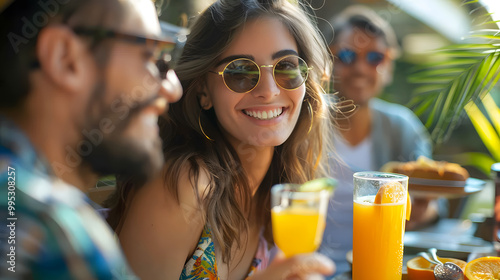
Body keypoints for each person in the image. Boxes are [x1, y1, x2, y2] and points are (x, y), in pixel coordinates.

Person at [0, 0, 332, 279]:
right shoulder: (48, 227)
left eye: (287, 68)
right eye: (150, 56)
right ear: (63, 58)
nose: (172, 86)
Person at [105, 0, 336, 279]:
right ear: (203, 91)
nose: (269, 90)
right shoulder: (184, 185)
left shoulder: (277, 194)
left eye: (286, 66)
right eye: (240, 71)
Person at [319, 5, 437, 276]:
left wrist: (421, 209)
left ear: (389, 66)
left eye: (374, 57)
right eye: (347, 55)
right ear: (327, 63)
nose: (360, 68)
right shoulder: (301, 127)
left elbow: (434, 208)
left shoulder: (402, 127)